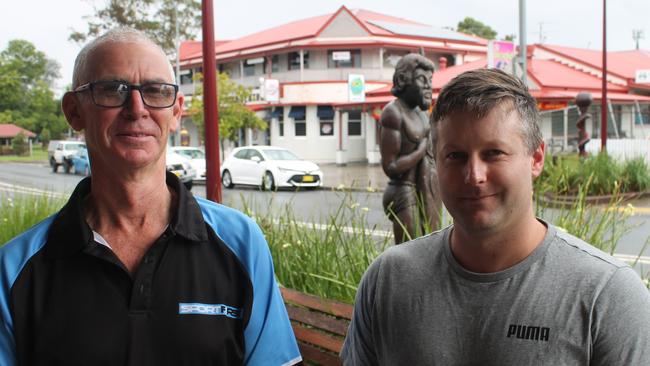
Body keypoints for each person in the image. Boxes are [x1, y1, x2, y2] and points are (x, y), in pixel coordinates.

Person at [0, 28, 301, 366]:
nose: (137, 108)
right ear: (74, 111)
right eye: (112, 90)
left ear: (176, 112)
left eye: (156, 91)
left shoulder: (241, 243)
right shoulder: (14, 269)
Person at [341, 69, 650, 365]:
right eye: (455, 156)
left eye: (494, 153)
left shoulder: (607, 296)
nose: (473, 175)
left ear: (536, 159)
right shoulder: (387, 280)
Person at [379, 53, 440, 244]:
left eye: (430, 80)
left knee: (429, 247)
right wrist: (420, 151)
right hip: (404, 192)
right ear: (403, 80)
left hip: (426, 189)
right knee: (411, 253)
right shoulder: (393, 113)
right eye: (422, 80)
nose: (428, 86)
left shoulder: (421, 113)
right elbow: (390, 167)